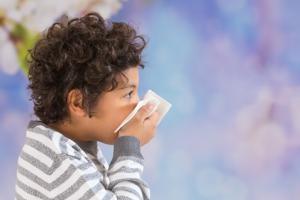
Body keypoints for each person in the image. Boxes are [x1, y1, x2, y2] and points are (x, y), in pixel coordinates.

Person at [15, 12, 159, 200]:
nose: (137, 104)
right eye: (128, 94)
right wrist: (129, 148)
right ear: (79, 103)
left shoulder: (66, 147)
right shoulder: (56, 161)